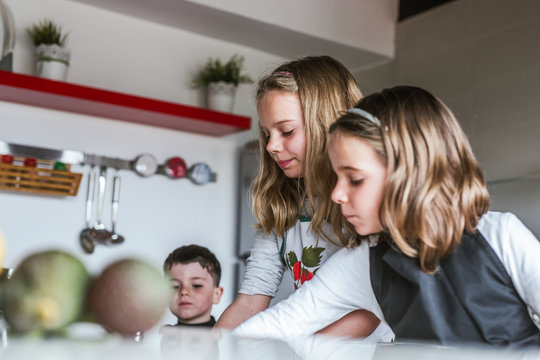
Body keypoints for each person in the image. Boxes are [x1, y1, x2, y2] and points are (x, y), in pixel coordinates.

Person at [233, 85, 540, 346]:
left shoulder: (501, 236)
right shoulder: (365, 260)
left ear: (410, 174)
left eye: (354, 179)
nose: (337, 194)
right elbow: (279, 325)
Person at [216, 55, 389, 338]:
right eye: (267, 134)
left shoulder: (365, 204)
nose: (272, 146)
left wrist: (303, 350)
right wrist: (209, 348)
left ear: (329, 124)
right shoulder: (284, 207)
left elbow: (370, 309)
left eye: (286, 131)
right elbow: (250, 301)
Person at [163, 244, 223, 327]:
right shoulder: (159, 336)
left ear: (216, 295)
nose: (184, 291)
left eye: (196, 285)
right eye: (175, 286)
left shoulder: (224, 337)